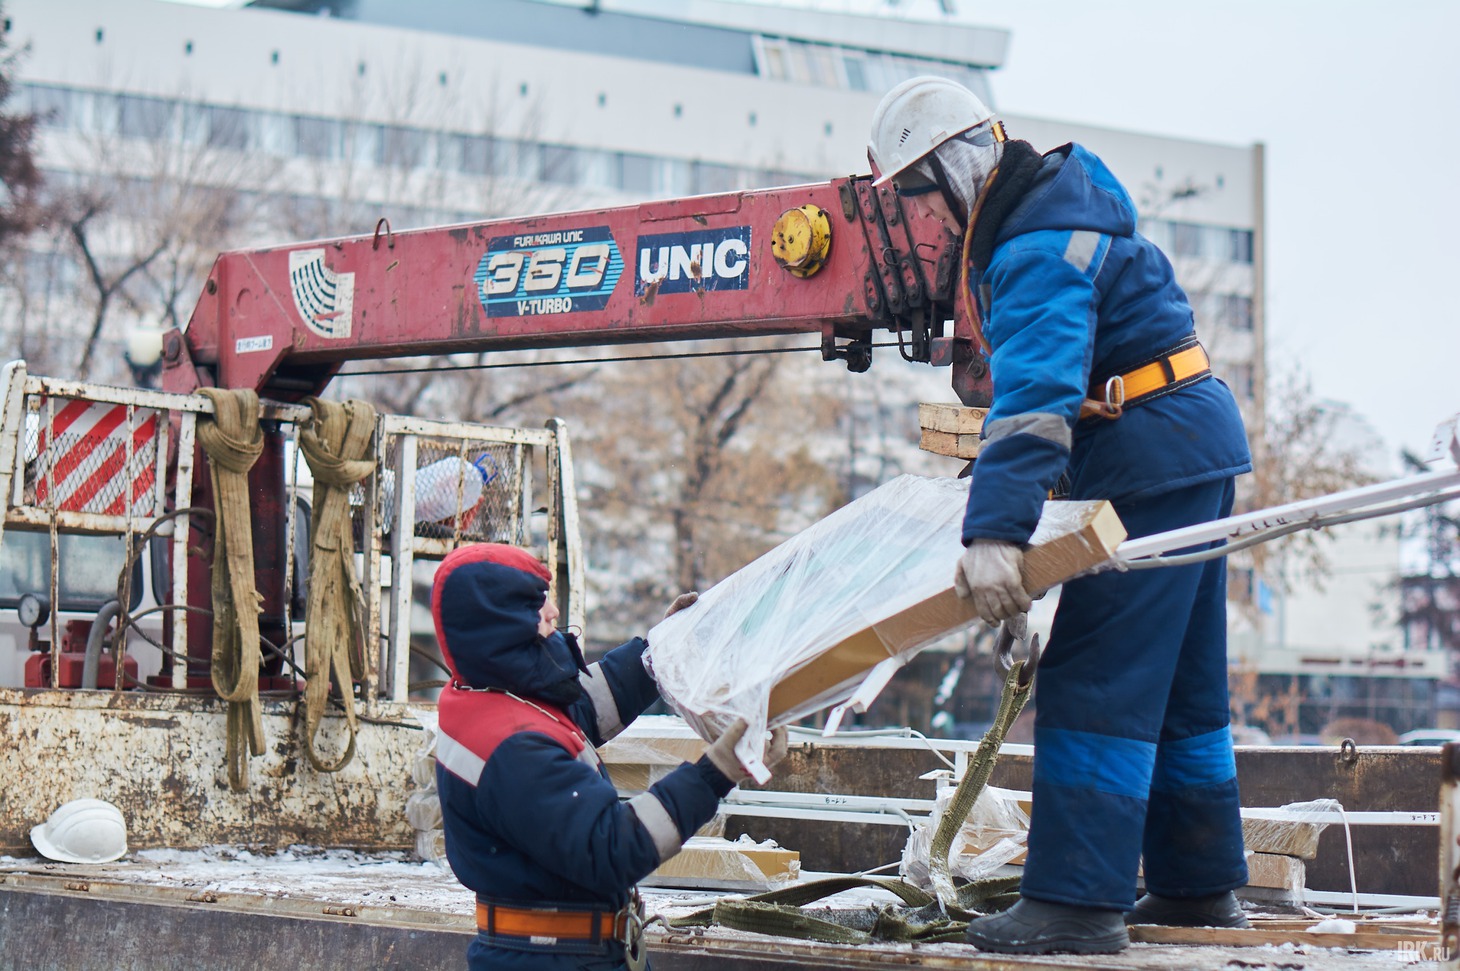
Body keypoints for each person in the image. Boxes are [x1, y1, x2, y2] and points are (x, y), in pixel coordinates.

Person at [868, 77, 1254, 954]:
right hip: (1180, 448)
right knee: (1182, 688)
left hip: (1150, 458)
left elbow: (1038, 399)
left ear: (950, 173)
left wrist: (995, 532)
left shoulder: (1035, 245)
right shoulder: (1057, 211)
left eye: (919, 199)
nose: (923, 224)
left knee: (1096, 675)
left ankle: (1077, 903)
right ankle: (1198, 884)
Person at [431, 542, 787, 970]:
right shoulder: (514, 748)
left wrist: (661, 653)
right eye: (535, 604)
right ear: (496, 623)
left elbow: (579, 708)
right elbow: (611, 849)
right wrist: (718, 772)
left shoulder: (487, 695)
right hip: (554, 958)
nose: (553, 613)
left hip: (551, 951)